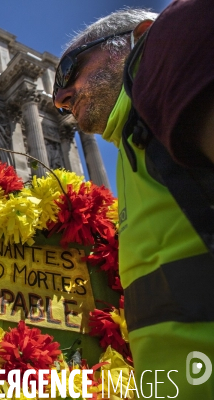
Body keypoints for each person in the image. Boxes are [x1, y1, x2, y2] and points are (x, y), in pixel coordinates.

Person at [53, 1, 214, 397]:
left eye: (69, 69)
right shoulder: (129, 141)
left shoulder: (172, 41)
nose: (60, 98)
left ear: (138, 36)